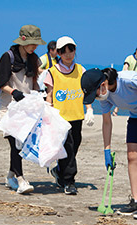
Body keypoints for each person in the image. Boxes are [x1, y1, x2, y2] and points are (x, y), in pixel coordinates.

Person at [81, 68, 137, 220]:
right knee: (132, 156)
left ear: (103, 84)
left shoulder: (128, 79)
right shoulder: (105, 96)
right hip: (136, 116)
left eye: (95, 94)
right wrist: (106, 150)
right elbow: (107, 122)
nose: (97, 98)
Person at [0, 24, 46, 194]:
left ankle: (10, 176)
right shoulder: (7, 57)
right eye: (32, 43)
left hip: (26, 107)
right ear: (23, 41)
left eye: (36, 43)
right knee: (15, 142)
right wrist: (13, 91)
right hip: (8, 106)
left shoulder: (34, 58)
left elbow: (35, 82)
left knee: (19, 143)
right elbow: (1, 83)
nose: (35, 46)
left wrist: (41, 96)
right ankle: (21, 180)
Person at [44, 36, 95, 195]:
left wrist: (90, 109)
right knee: (68, 147)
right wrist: (48, 112)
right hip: (60, 118)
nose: (68, 54)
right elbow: (50, 95)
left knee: (75, 145)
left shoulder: (81, 70)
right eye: (63, 51)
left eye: (71, 50)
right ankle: (69, 181)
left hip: (77, 116)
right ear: (58, 53)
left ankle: (59, 171)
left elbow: (86, 91)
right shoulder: (52, 72)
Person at [113, 46, 137, 116]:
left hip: (133, 80)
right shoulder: (129, 58)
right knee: (122, 95)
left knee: (134, 95)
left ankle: (135, 111)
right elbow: (125, 68)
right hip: (125, 78)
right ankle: (115, 110)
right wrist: (127, 76)